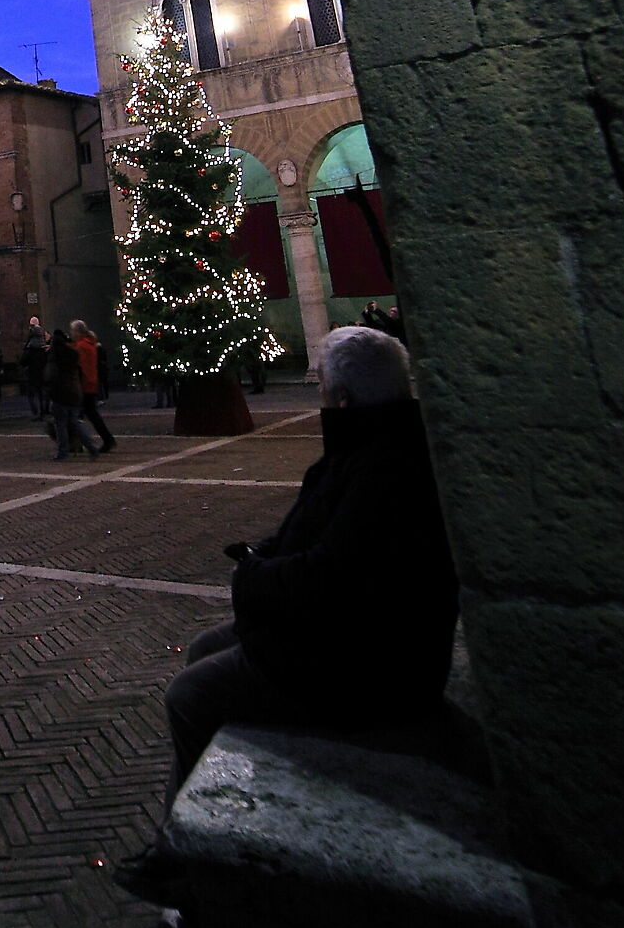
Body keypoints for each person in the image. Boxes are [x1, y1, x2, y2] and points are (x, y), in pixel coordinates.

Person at [118, 327, 459, 886]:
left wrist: (253, 577)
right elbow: (307, 529)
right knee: (204, 647)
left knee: (189, 694)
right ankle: (201, 816)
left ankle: (187, 860)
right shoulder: (378, 444)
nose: (319, 393)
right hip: (346, 630)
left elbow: (331, 574)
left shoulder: (384, 464)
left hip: (368, 655)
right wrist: (264, 557)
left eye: (321, 384)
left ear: (343, 396)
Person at [46, 328, 100, 460]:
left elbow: (50, 376)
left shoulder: (54, 356)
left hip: (60, 393)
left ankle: (63, 452)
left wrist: (49, 390)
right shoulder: (73, 353)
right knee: (75, 422)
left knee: (60, 425)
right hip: (74, 391)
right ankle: (91, 447)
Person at [70, 319, 116, 452]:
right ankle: (106, 439)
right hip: (90, 382)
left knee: (81, 415)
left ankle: (81, 443)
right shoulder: (89, 344)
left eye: (73, 330)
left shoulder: (82, 346)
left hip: (84, 384)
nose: (71, 333)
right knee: (91, 414)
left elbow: (79, 365)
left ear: (78, 332)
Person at [22, 323, 48, 418]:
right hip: (42, 372)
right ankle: (42, 411)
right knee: (41, 393)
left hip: (31, 373)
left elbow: (23, 361)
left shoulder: (30, 348)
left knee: (31, 394)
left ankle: (35, 412)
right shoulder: (44, 348)